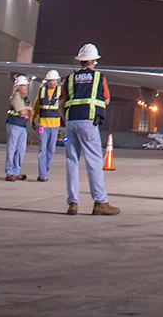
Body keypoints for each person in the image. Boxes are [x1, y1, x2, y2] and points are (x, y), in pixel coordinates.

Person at [61, 44, 120, 216]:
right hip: (88, 123)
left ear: (80, 61)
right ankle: (100, 202)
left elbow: (61, 103)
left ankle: (72, 203)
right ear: (94, 61)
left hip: (71, 122)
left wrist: (67, 120)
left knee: (71, 161)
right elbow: (106, 99)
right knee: (94, 162)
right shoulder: (99, 77)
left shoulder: (69, 79)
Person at [32, 69, 62, 182]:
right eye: (51, 81)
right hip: (43, 124)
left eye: (55, 81)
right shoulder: (42, 91)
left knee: (51, 150)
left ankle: (46, 171)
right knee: (42, 149)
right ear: (48, 81)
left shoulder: (60, 91)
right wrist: (33, 120)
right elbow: (36, 106)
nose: (53, 83)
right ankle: (42, 174)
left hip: (55, 125)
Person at [5, 75, 32, 180]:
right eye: (23, 86)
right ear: (18, 87)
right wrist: (28, 109)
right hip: (14, 124)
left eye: (26, 86)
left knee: (21, 149)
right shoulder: (16, 97)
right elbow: (22, 111)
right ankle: (9, 172)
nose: (25, 88)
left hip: (22, 125)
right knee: (12, 149)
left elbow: (28, 111)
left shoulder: (24, 99)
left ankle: (16, 171)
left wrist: (27, 110)